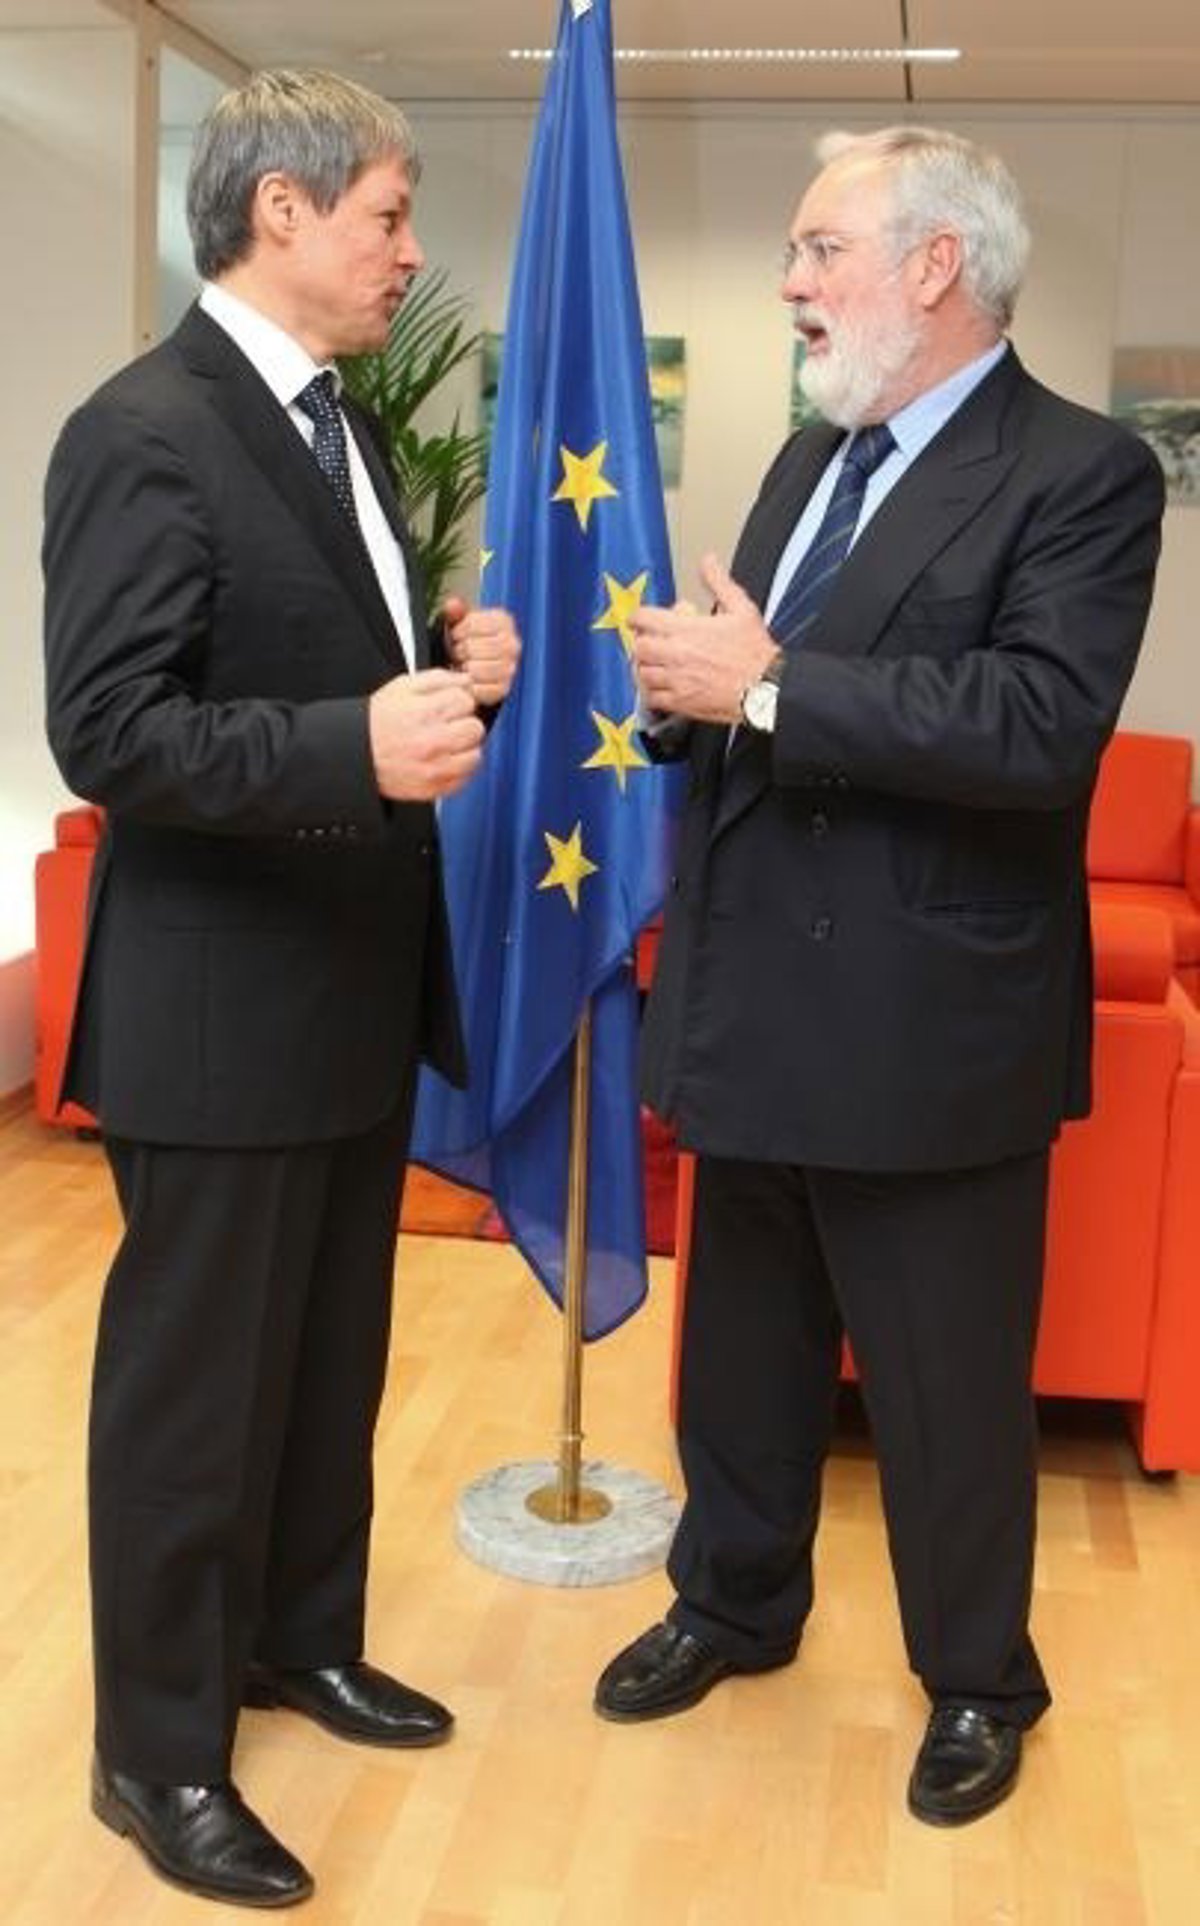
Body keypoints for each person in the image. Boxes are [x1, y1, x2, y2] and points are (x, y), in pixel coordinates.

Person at [594, 125, 1164, 1826]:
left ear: (934, 266)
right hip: (755, 995)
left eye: (818, 249)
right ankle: (733, 1602)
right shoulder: (807, 460)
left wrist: (764, 686)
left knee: (942, 1388)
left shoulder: (1080, 472)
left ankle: (981, 1679)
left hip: (927, 1029)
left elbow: (1038, 727)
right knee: (742, 1357)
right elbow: (754, 688)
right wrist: (684, 698)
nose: (790, 282)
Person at [42, 69, 520, 1907]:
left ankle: (298, 1640)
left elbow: (321, 665)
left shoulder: (344, 427)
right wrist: (353, 744)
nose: (409, 252)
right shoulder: (142, 429)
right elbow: (110, 728)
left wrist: (446, 665)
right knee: (192, 1405)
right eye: (390, 215)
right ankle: (157, 1754)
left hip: (346, 993)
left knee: (326, 1364)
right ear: (283, 213)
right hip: (219, 1013)